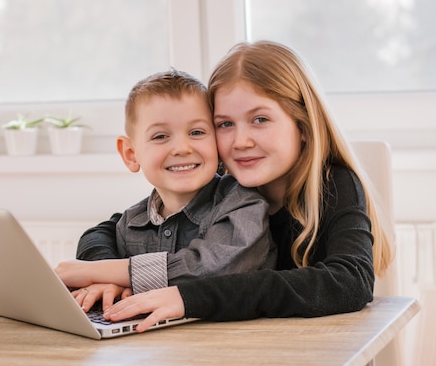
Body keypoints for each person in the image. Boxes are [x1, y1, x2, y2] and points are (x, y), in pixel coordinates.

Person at [73, 40, 393, 332]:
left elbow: (349, 283)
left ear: (304, 126)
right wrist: (101, 276)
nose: (241, 141)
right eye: (225, 124)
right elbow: (109, 228)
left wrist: (189, 296)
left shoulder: (333, 185)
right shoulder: (223, 182)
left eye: (260, 119)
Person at [55, 69, 276, 312]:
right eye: (160, 136)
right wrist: (108, 283)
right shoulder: (131, 222)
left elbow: (211, 269)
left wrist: (97, 271)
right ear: (131, 154)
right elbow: (104, 263)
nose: (182, 148)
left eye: (197, 132)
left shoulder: (242, 204)